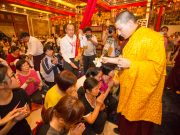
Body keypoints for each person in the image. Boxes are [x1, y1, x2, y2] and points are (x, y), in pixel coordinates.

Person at [102, 11, 166, 135]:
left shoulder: (151, 37)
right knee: (125, 119)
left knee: (137, 126)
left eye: (120, 29)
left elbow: (157, 68)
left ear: (131, 23)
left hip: (142, 93)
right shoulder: (130, 39)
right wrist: (112, 65)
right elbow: (125, 60)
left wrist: (131, 65)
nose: (118, 33)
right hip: (128, 87)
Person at [0, 61, 31, 135]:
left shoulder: (20, 92)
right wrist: (13, 121)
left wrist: (26, 113)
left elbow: (28, 110)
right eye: (13, 75)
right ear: (1, 85)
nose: (17, 75)